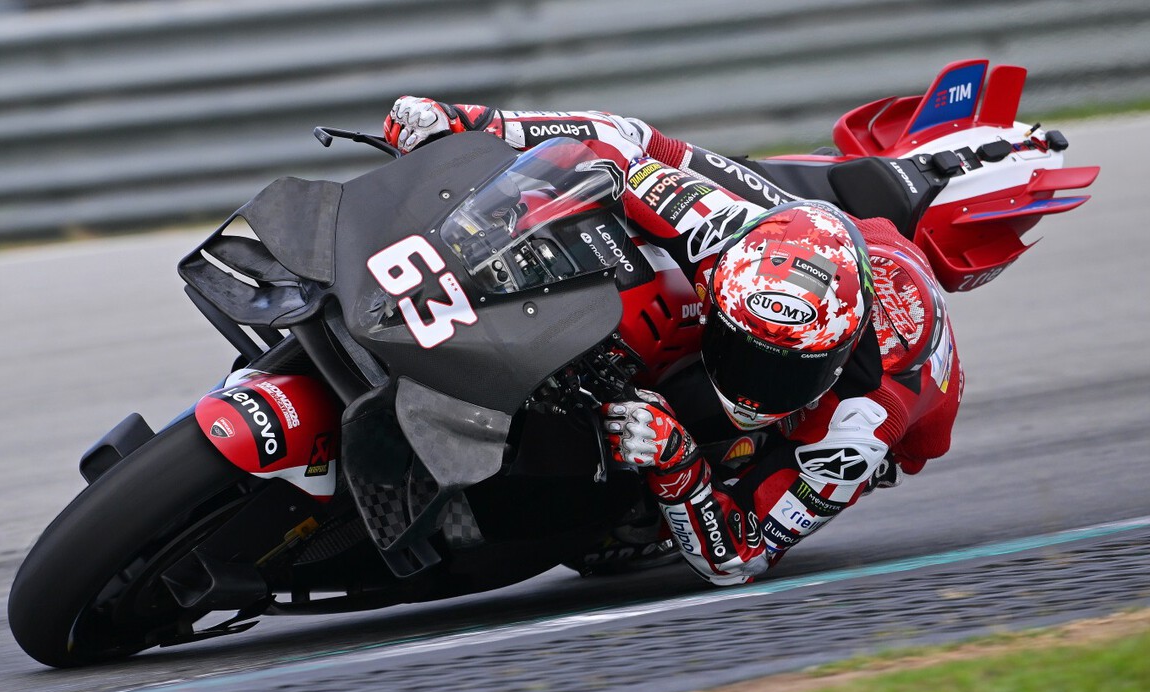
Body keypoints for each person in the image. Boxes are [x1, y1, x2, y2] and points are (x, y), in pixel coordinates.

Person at [383, 97, 963, 585]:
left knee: (697, 429)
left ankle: (641, 510)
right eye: (742, 350)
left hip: (908, 402)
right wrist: (473, 122)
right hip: (818, 236)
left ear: (836, 359)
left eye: (783, 371)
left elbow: (740, 556)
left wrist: (677, 461)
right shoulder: (721, 231)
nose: (752, 386)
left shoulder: (863, 425)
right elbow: (619, 141)